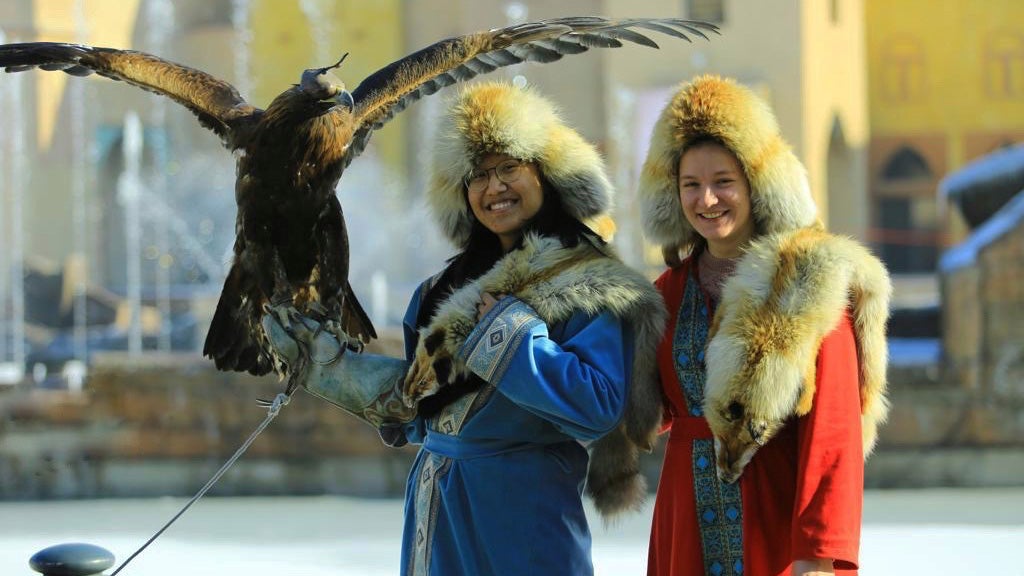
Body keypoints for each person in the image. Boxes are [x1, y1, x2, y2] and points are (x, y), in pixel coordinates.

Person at [263, 82, 666, 576]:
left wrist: (512, 337)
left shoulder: (589, 281)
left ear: (547, 173)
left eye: (509, 168)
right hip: (438, 504)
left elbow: (599, 409)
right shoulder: (439, 290)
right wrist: (337, 372)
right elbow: (421, 411)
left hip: (523, 510)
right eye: (477, 175)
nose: (493, 187)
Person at [637, 75, 892, 576]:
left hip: (776, 525)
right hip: (683, 523)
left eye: (723, 182)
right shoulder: (665, 293)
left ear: (756, 183)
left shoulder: (808, 280)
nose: (707, 200)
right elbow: (639, 408)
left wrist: (818, 550)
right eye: (691, 185)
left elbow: (833, 430)